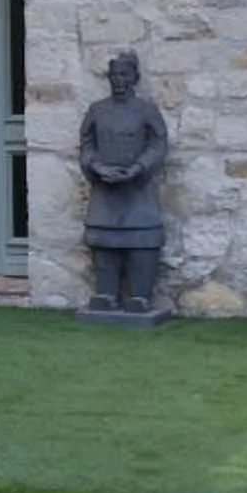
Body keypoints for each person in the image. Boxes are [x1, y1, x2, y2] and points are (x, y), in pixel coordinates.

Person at [79, 51, 169, 313]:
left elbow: (158, 143)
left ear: (135, 77)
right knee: (103, 241)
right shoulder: (97, 110)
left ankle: (139, 296)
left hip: (137, 190)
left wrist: (139, 167)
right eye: (114, 75)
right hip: (105, 190)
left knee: (142, 241)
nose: (118, 80)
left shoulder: (146, 111)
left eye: (124, 75)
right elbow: (86, 143)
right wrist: (95, 165)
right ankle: (105, 293)